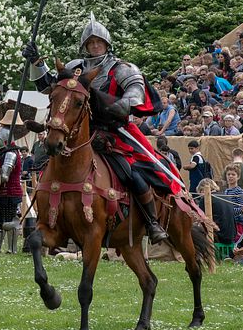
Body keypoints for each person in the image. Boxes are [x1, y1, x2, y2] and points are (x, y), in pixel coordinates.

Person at [22, 13, 172, 243]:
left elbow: (135, 93)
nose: (94, 46)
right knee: (49, 165)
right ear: (85, 45)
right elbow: (49, 87)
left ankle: (152, 222)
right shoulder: (75, 68)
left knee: (131, 172)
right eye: (90, 43)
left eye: (98, 42)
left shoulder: (121, 68)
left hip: (113, 132)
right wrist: (36, 64)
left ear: (106, 43)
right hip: (77, 132)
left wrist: (120, 105)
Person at [0, 111, 25, 253]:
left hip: (10, 192)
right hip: (3, 193)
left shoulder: (10, 154)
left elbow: (4, 176)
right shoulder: (5, 153)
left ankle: (11, 249)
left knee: (9, 221)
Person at [195, 179, 236, 246]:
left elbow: (201, 220)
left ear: (202, 190)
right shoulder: (226, 197)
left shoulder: (205, 199)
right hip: (231, 236)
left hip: (218, 237)